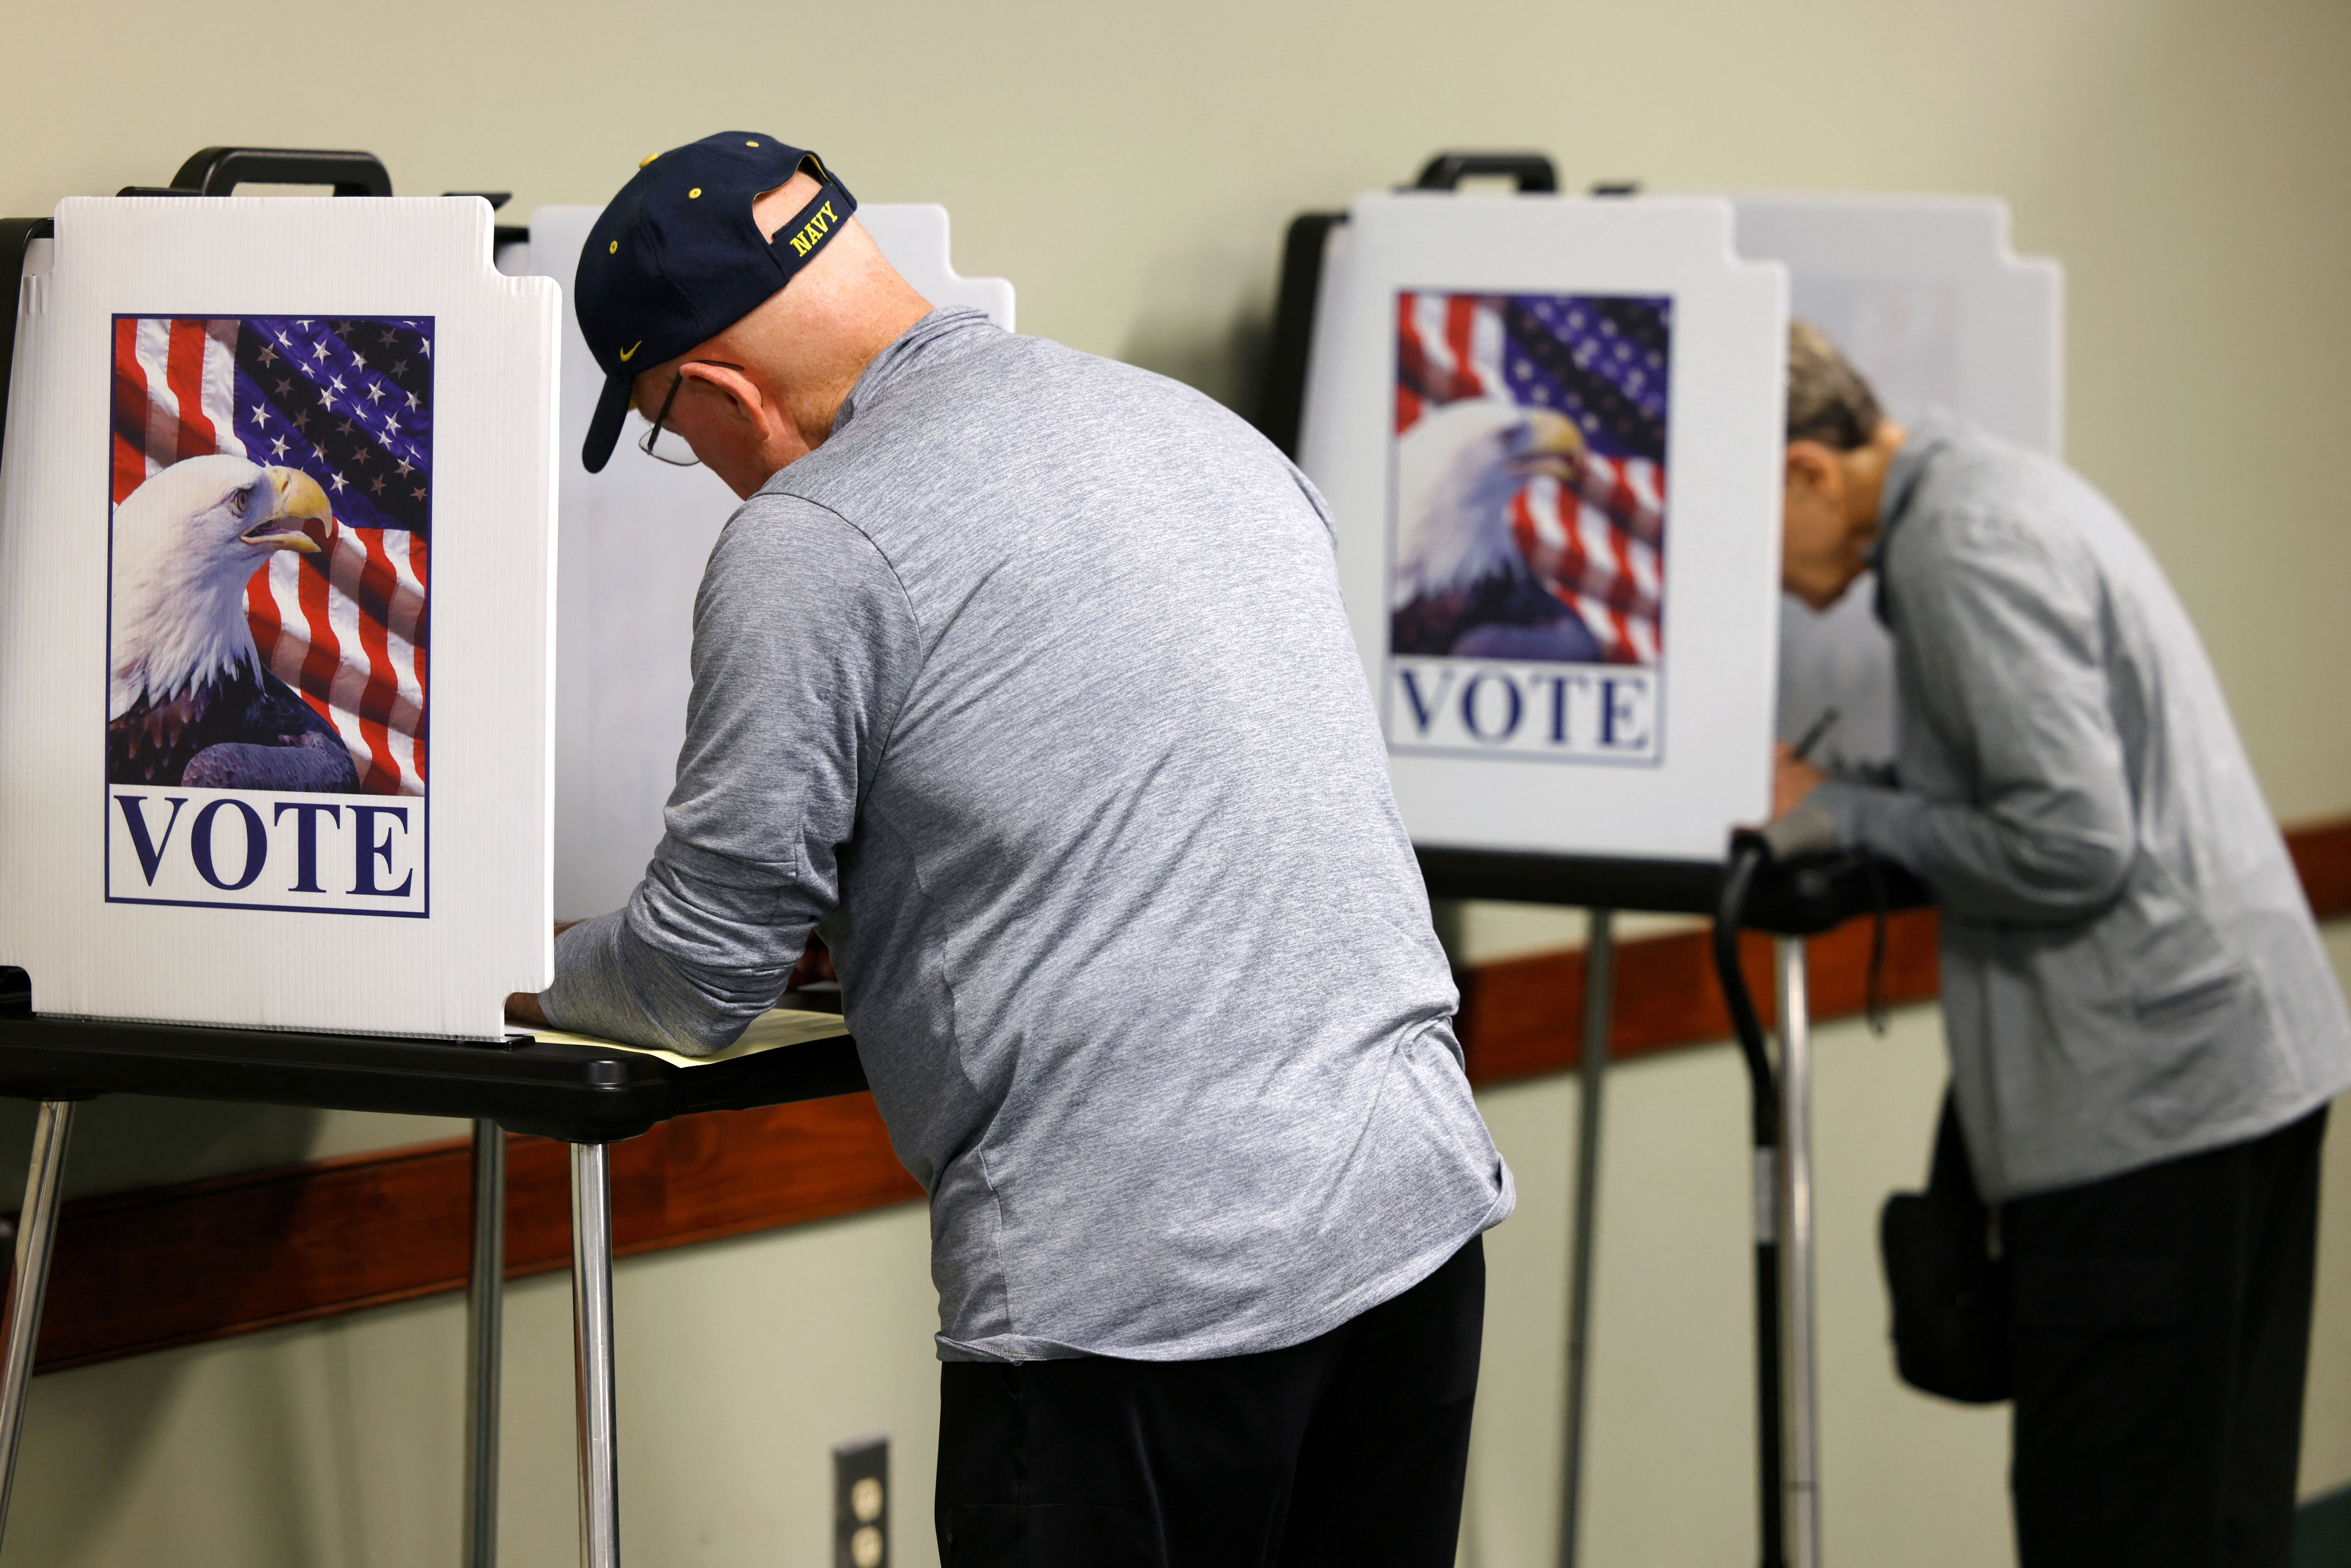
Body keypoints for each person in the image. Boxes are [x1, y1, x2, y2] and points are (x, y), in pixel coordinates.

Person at [507, 131, 1512, 1567]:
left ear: (719, 389)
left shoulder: (814, 538)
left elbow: (690, 983)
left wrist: (516, 972)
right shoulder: (1201, 434)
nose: (704, 463)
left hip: (1138, 1291)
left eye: (673, 427)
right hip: (1408, 1225)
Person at [1771, 320, 2351, 1567]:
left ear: (1808, 473)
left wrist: (1839, 811)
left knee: (2120, 1518)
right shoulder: (1997, 490)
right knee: (2215, 1508)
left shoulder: (1958, 547)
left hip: (2155, 1104)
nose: (1758, 578)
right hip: (2234, 1070)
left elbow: (2070, 845)